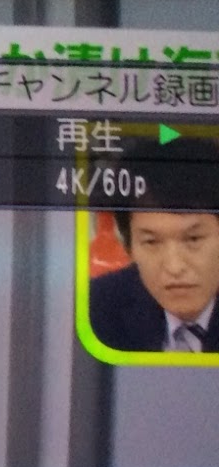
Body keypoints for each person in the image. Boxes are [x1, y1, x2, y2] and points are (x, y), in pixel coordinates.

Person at [89, 139, 219, 354]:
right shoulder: (96, 307)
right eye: (151, 242)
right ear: (129, 246)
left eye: (193, 239)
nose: (174, 267)